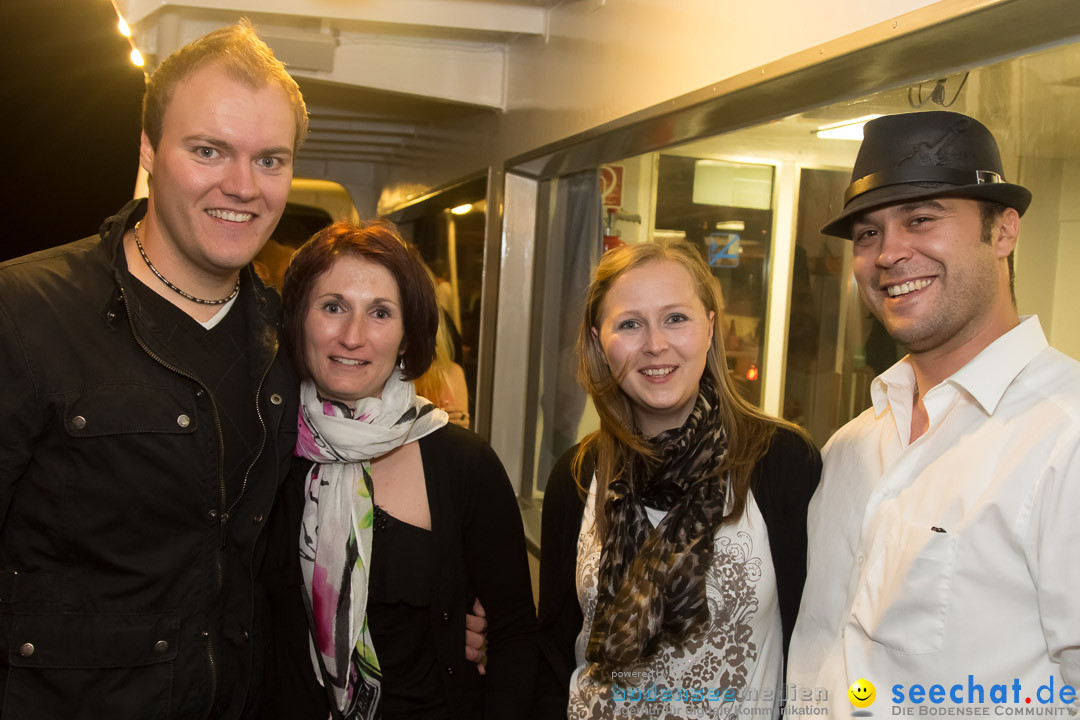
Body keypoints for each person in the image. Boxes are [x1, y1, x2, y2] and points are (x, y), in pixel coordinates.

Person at [0, 22, 307, 719]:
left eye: (271, 160)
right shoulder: (24, 312)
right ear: (148, 151)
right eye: (209, 150)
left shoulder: (288, 339)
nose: (242, 186)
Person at [788, 112, 1080, 712]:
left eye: (921, 219)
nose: (889, 253)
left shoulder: (1065, 436)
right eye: (867, 234)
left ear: (1002, 233)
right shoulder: (850, 448)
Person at [533, 238, 821, 719]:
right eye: (629, 324)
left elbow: (816, 641)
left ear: (711, 326)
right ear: (597, 340)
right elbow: (554, 649)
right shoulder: (579, 475)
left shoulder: (781, 462)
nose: (654, 345)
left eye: (676, 318)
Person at [261, 220, 537, 719]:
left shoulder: (463, 464)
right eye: (332, 307)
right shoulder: (261, 452)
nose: (352, 336)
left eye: (381, 313)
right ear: (298, 319)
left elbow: (515, 633)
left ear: (408, 336)